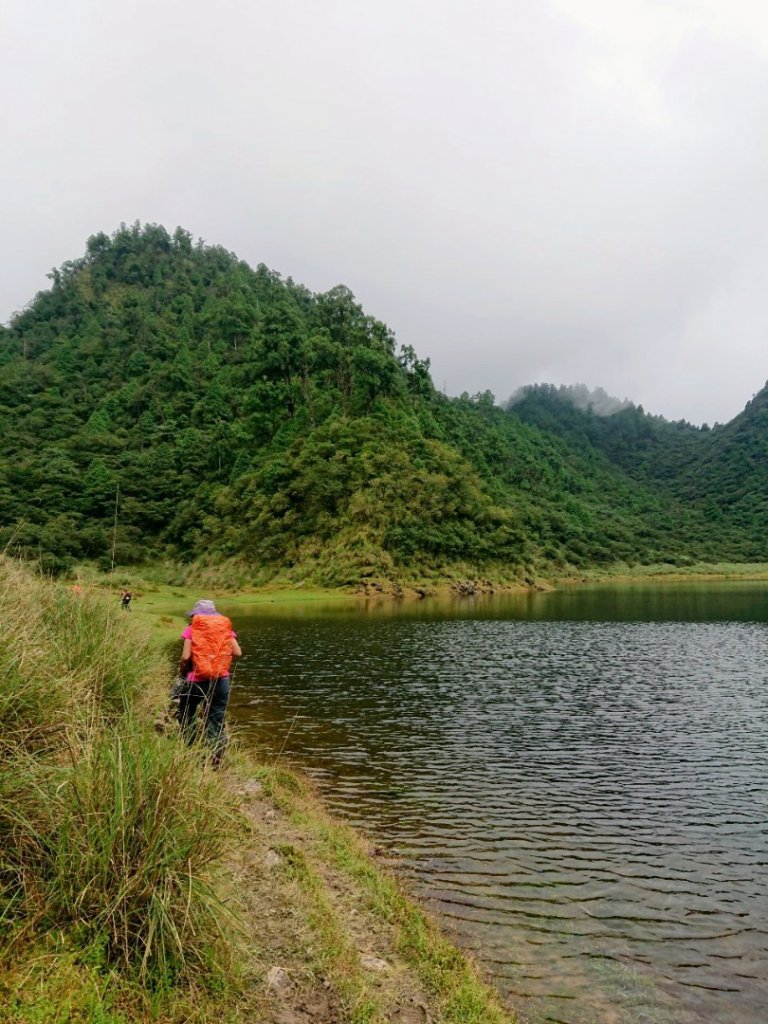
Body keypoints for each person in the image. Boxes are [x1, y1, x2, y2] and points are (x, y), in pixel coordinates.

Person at [177, 599, 241, 766]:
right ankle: (216, 757)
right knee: (216, 718)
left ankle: (190, 749)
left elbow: (185, 656)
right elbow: (238, 652)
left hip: (196, 680)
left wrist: (183, 670)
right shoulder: (225, 629)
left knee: (186, 713)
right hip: (221, 680)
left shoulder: (191, 629)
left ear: (195, 615)